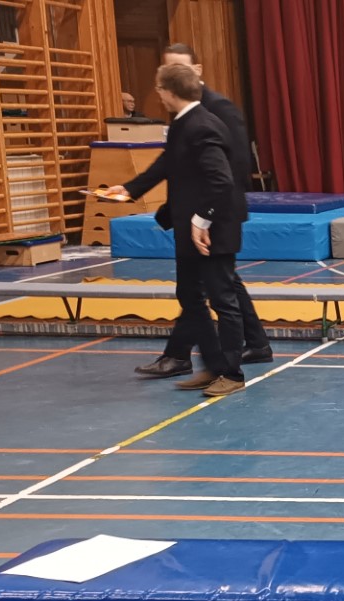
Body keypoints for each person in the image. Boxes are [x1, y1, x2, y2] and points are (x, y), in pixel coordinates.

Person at [111, 43, 270, 380]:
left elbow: (228, 172)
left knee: (220, 294)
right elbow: (171, 160)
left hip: (212, 219)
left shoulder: (213, 113)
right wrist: (130, 188)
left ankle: (223, 367)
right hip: (193, 217)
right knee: (196, 293)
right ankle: (217, 361)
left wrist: (205, 216)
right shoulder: (182, 119)